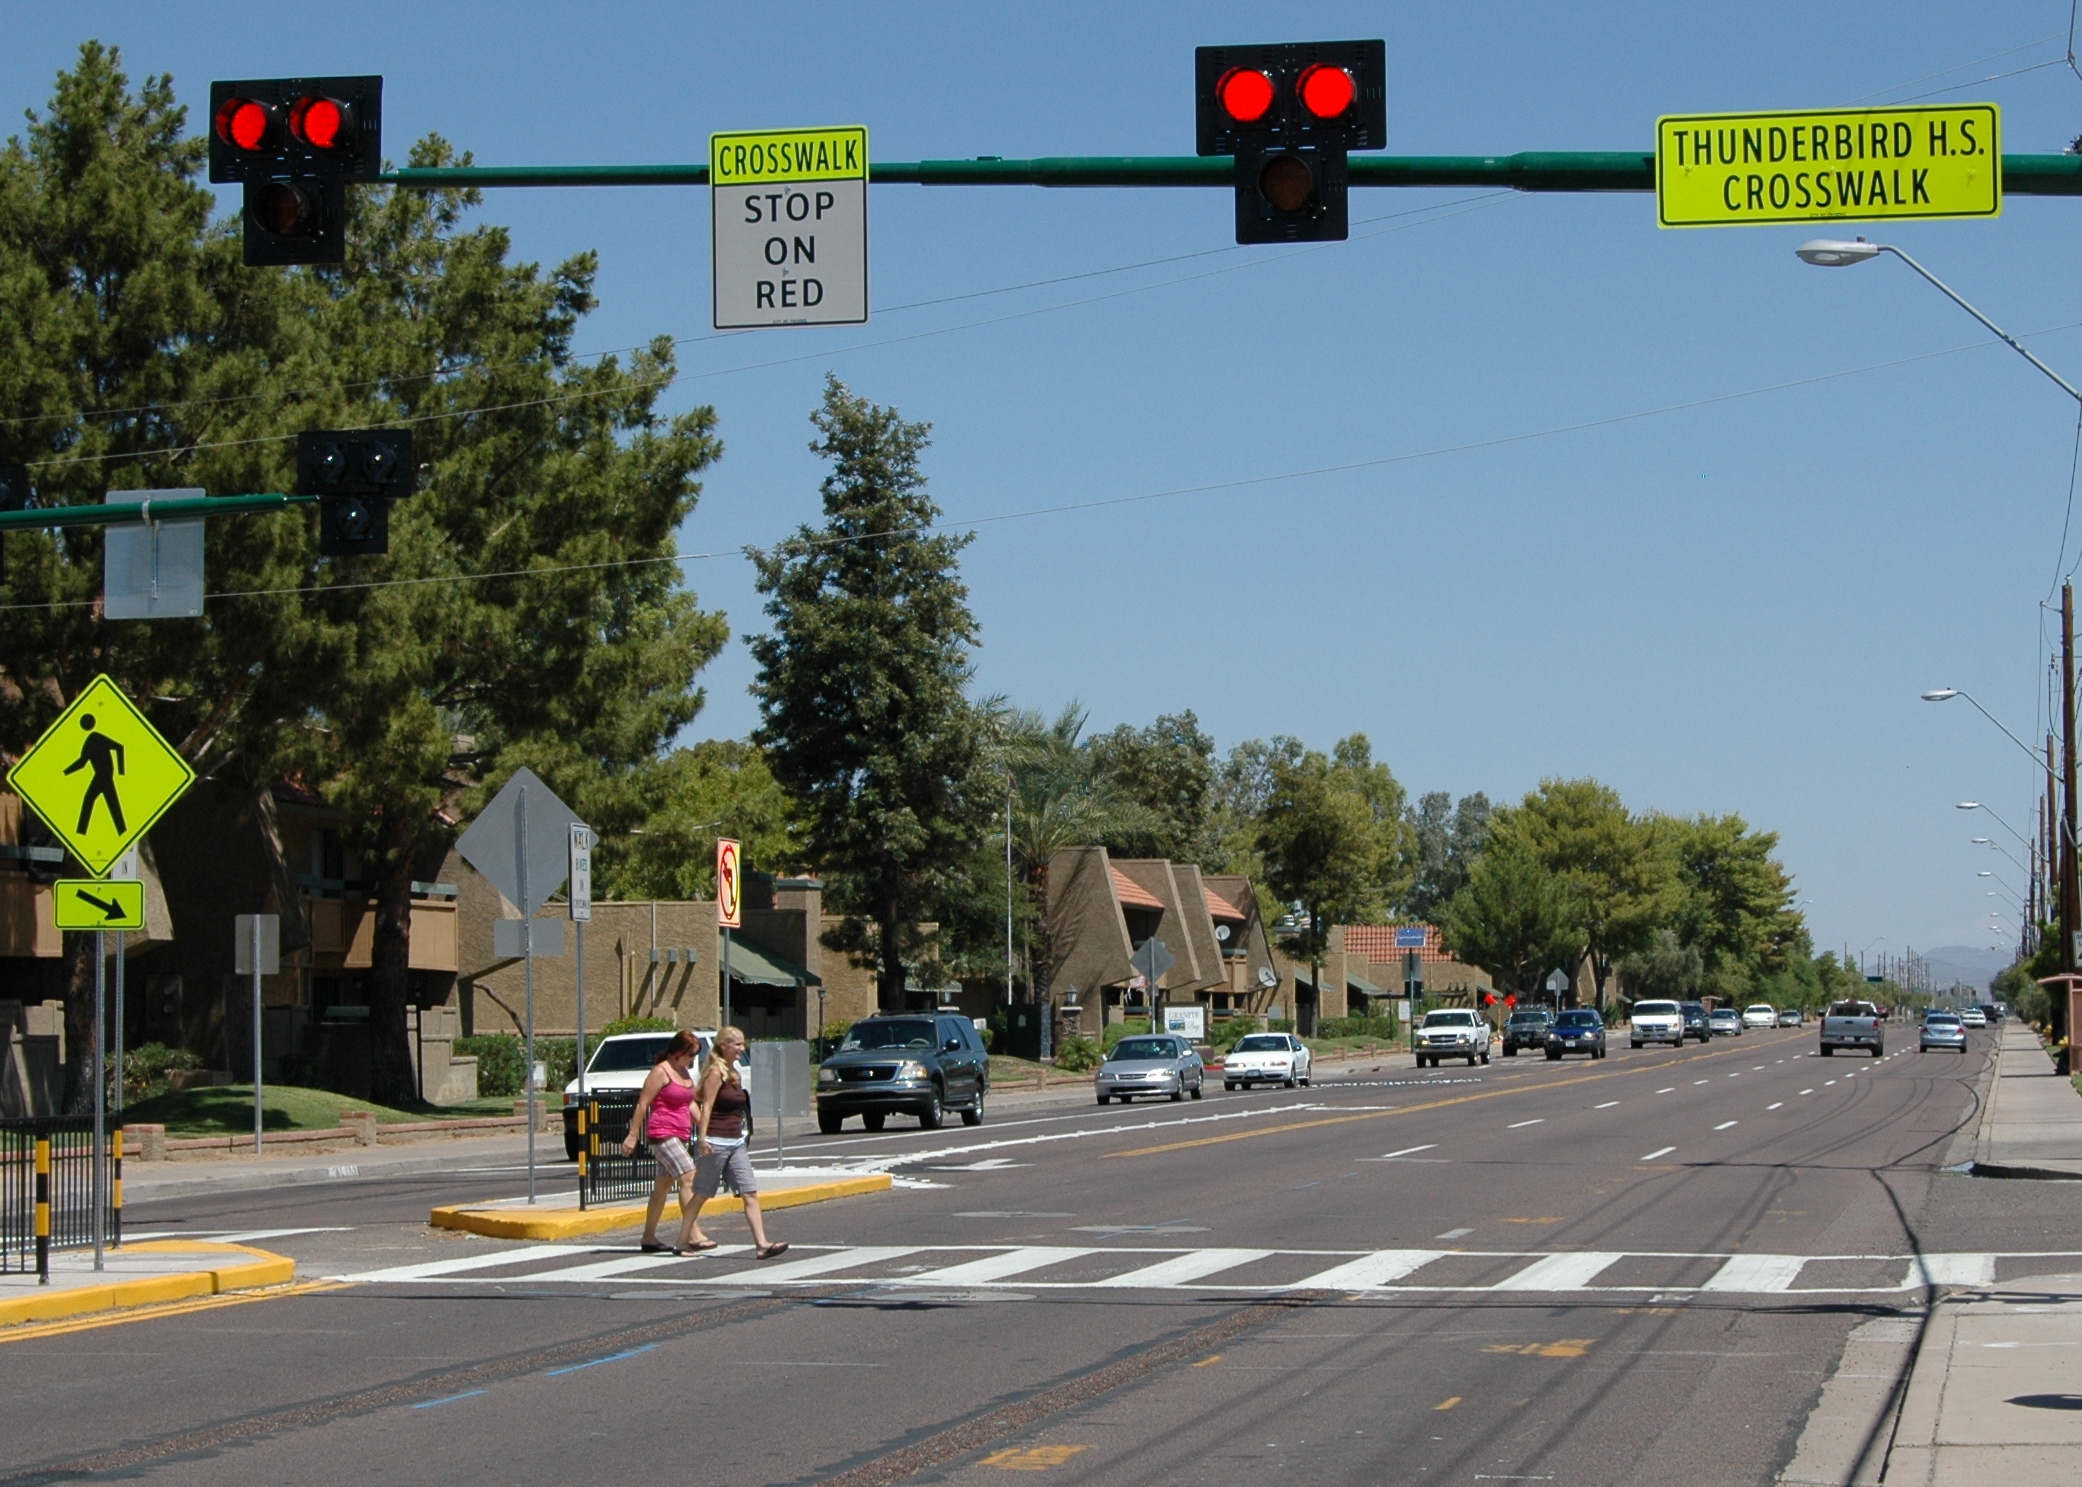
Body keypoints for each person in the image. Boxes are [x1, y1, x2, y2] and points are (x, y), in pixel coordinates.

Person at [688, 1026, 788, 1259]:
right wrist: (702, 1138)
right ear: (724, 1045)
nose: (742, 1049)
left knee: (749, 1192)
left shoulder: (735, 1073)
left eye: (743, 1044)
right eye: (738, 1045)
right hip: (715, 1140)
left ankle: (762, 1244)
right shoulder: (715, 1073)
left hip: (735, 1141)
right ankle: (683, 1238)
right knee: (702, 1194)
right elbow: (707, 1106)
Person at [619, 1029, 713, 1255]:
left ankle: (649, 1237)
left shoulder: (683, 1073)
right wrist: (632, 1135)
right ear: (678, 1052)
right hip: (662, 1133)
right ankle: (692, 1234)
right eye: (691, 1055)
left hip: (679, 1134)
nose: (693, 1061)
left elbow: (688, 1103)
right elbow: (643, 1104)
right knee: (690, 1177)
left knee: (662, 1187)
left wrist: (706, 1129)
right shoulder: (661, 1072)